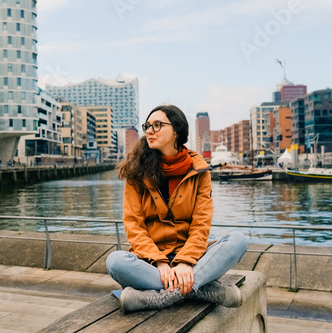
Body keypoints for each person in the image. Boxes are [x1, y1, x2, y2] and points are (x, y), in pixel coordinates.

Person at [106, 105, 248, 313]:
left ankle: (160, 297)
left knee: (239, 240)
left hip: (192, 258)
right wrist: (161, 263)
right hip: (152, 263)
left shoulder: (199, 171)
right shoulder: (136, 171)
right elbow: (134, 226)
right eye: (147, 126)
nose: (149, 131)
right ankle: (203, 291)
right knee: (115, 261)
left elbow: (201, 224)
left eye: (157, 125)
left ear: (176, 131)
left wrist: (185, 262)